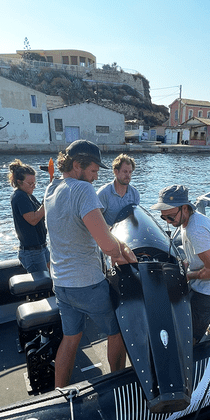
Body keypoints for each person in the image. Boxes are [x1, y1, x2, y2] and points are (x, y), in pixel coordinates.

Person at [44, 140, 137, 388]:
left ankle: (59, 391)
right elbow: (108, 246)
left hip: (61, 285)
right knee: (117, 330)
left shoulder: (52, 188)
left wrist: (116, 244)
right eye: (94, 170)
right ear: (78, 165)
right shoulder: (83, 190)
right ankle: (117, 385)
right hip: (87, 284)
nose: (96, 177)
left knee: (71, 338)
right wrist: (124, 251)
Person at [151, 185, 210, 343]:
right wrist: (185, 264)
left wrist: (188, 276)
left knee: (190, 336)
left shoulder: (196, 230)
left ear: (185, 208)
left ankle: (192, 352)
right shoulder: (189, 220)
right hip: (201, 285)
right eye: (164, 218)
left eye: (170, 217)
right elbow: (196, 255)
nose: (168, 222)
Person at [8, 159, 49, 273]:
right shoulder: (20, 196)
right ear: (19, 182)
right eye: (30, 184)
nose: (34, 186)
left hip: (41, 248)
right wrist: (46, 201)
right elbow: (33, 219)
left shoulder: (29, 196)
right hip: (32, 252)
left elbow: (42, 214)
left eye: (34, 183)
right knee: (43, 281)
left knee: (53, 277)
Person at [97, 154, 140, 226]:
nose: (128, 175)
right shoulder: (103, 193)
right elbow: (95, 219)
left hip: (128, 231)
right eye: (125, 172)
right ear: (116, 172)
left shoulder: (135, 194)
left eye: (130, 172)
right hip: (108, 231)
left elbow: (136, 217)